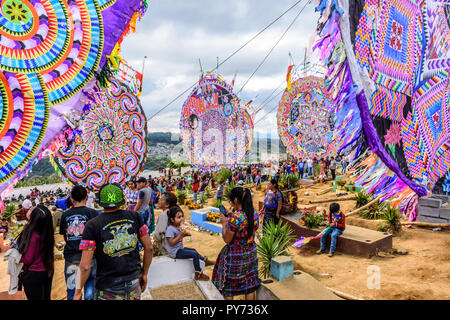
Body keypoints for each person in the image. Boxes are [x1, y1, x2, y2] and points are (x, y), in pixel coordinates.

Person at [74, 183, 153, 300]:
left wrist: (78, 291)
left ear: (99, 201)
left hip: (107, 288)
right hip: (134, 283)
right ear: (122, 199)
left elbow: (85, 266)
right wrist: (144, 274)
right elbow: (149, 248)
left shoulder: (92, 225)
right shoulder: (135, 217)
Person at [212, 187, 260, 300]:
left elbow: (227, 239)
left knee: (229, 288)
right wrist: (231, 217)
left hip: (236, 255)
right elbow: (244, 225)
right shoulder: (254, 214)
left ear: (236, 200)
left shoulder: (236, 218)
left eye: (230, 200)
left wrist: (224, 223)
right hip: (250, 252)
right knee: (250, 286)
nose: (230, 203)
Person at [59, 186, 98, 300]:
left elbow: (65, 235)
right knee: (90, 291)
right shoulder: (94, 213)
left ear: (72, 199)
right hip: (91, 257)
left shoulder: (65, 215)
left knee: (72, 291)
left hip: (72, 257)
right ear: (87, 197)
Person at [15, 205, 55, 300]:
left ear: (34, 216)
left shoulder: (33, 235)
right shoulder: (45, 231)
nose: (29, 208)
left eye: (31, 209)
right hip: (46, 271)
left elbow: (27, 259)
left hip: (34, 274)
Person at [165, 206, 214, 280]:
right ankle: (198, 273)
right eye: (178, 217)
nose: (181, 219)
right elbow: (171, 243)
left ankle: (204, 261)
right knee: (194, 255)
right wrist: (180, 235)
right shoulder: (170, 229)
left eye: (182, 216)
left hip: (180, 249)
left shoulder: (178, 227)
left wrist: (185, 235)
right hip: (175, 252)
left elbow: (178, 237)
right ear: (172, 219)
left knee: (194, 250)